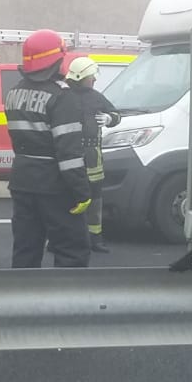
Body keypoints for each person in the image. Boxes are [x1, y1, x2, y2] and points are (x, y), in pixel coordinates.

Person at [6, 30, 92, 269]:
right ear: (55, 60)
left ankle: (21, 292)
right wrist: (82, 192)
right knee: (72, 250)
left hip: (22, 181)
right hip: (55, 186)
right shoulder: (62, 96)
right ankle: (65, 295)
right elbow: (69, 155)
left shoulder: (13, 92)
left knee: (25, 250)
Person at [64, 56, 121, 255]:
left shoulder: (96, 97)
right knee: (67, 198)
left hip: (92, 158)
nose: (94, 80)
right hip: (70, 156)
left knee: (95, 199)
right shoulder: (63, 97)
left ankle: (95, 238)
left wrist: (109, 118)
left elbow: (116, 115)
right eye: (91, 76)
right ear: (81, 77)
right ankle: (63, 238)